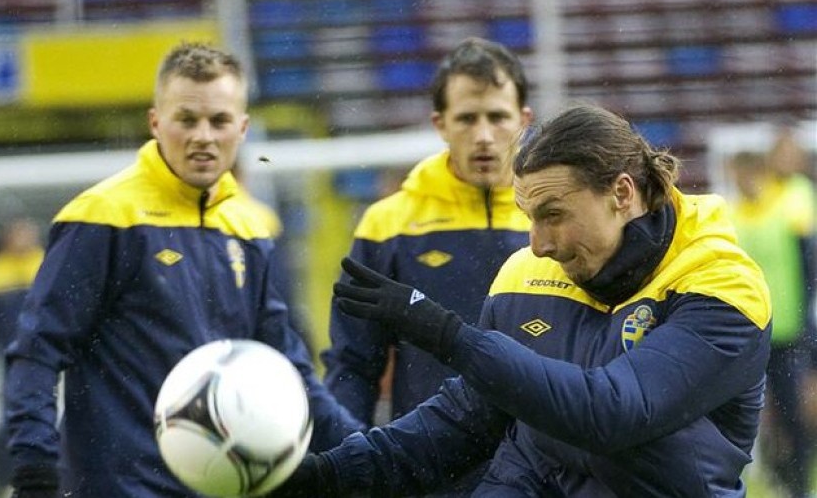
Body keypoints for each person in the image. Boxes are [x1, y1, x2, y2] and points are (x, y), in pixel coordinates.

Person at [275, 103, 772, 497]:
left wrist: (447, 335)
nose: (538, 243)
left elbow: (611, 413)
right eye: (529, 216)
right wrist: (327, 474)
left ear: (622, 193)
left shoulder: (723, 287)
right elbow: (464, 420)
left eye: (553, 214)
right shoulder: (525, 274)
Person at [3, 42, 363, 498]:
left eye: (219, 121)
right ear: (156, 122)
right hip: (119, 488)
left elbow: (286, 366)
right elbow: (37, 350)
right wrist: (36, 470)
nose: (203, 137)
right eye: (187, 119)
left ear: (243, 128)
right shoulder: (103, 217)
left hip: (224, 487)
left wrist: (363, 451)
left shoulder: (250, 228)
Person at [322, 37, 533, 431]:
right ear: (440, 124)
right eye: (468, 119)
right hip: (432, 465)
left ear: (523, 120)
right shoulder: (387, 225)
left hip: (542, 470)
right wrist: (345, 461)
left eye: (498, 117)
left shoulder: (553, 220)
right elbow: (352, 364)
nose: (484, 136)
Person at [729, 133, 815, 498]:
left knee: (793, 411)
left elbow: (807, 263)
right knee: (748, 412)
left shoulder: (790, 200)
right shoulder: (734, 214)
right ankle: (770, 477)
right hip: (749, 331)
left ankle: (797, 483)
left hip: (789, 330)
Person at [0, 218, 45, 497]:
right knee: (7, 418)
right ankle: (5, 480)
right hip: (3, 358)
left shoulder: (45, 264)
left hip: (44, 357)